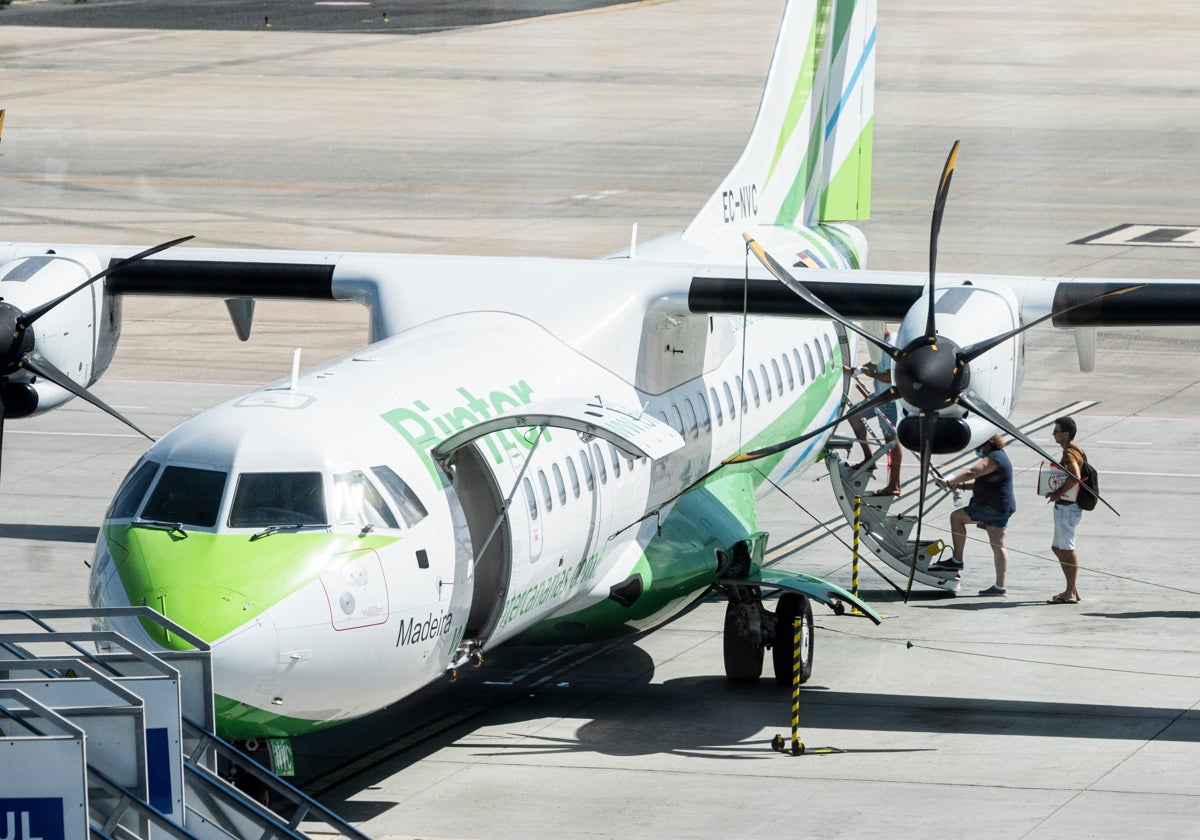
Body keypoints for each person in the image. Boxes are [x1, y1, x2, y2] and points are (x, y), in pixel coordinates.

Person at [930, 434, 1016, 596]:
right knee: (998, 545)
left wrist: (950, 481)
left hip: (992, 506)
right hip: (1002, 506)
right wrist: (960, 485)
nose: (978, 451)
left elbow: (973, 471)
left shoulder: (994, 458)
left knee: (956, 518)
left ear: (987, 444)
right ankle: (1000, 586)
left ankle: (957, 560)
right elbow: (982, 483)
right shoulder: (1001, 457)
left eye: (979, 448)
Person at [860, 325, 902, 496]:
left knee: (891, 441)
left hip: (888, 399)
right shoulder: (879, 342)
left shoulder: (890, 345)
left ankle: (894, 485)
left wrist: (872, 375)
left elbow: (890, 376)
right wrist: (859, 369)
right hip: (878, 396)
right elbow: (875, 361)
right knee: (855, 416)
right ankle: (869, 459)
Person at [1047, 416, 1084, 604]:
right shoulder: (1076, 449)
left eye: (1056, 431)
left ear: (1065, 434)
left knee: (1067, 549)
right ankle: (1072, 589)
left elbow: (1075, 477)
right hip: (1068, 507)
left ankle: (1069, 593)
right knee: (1057, 547)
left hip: (1067, 508)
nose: (1054, 434)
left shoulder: (1069, 452)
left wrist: (1058, 493)